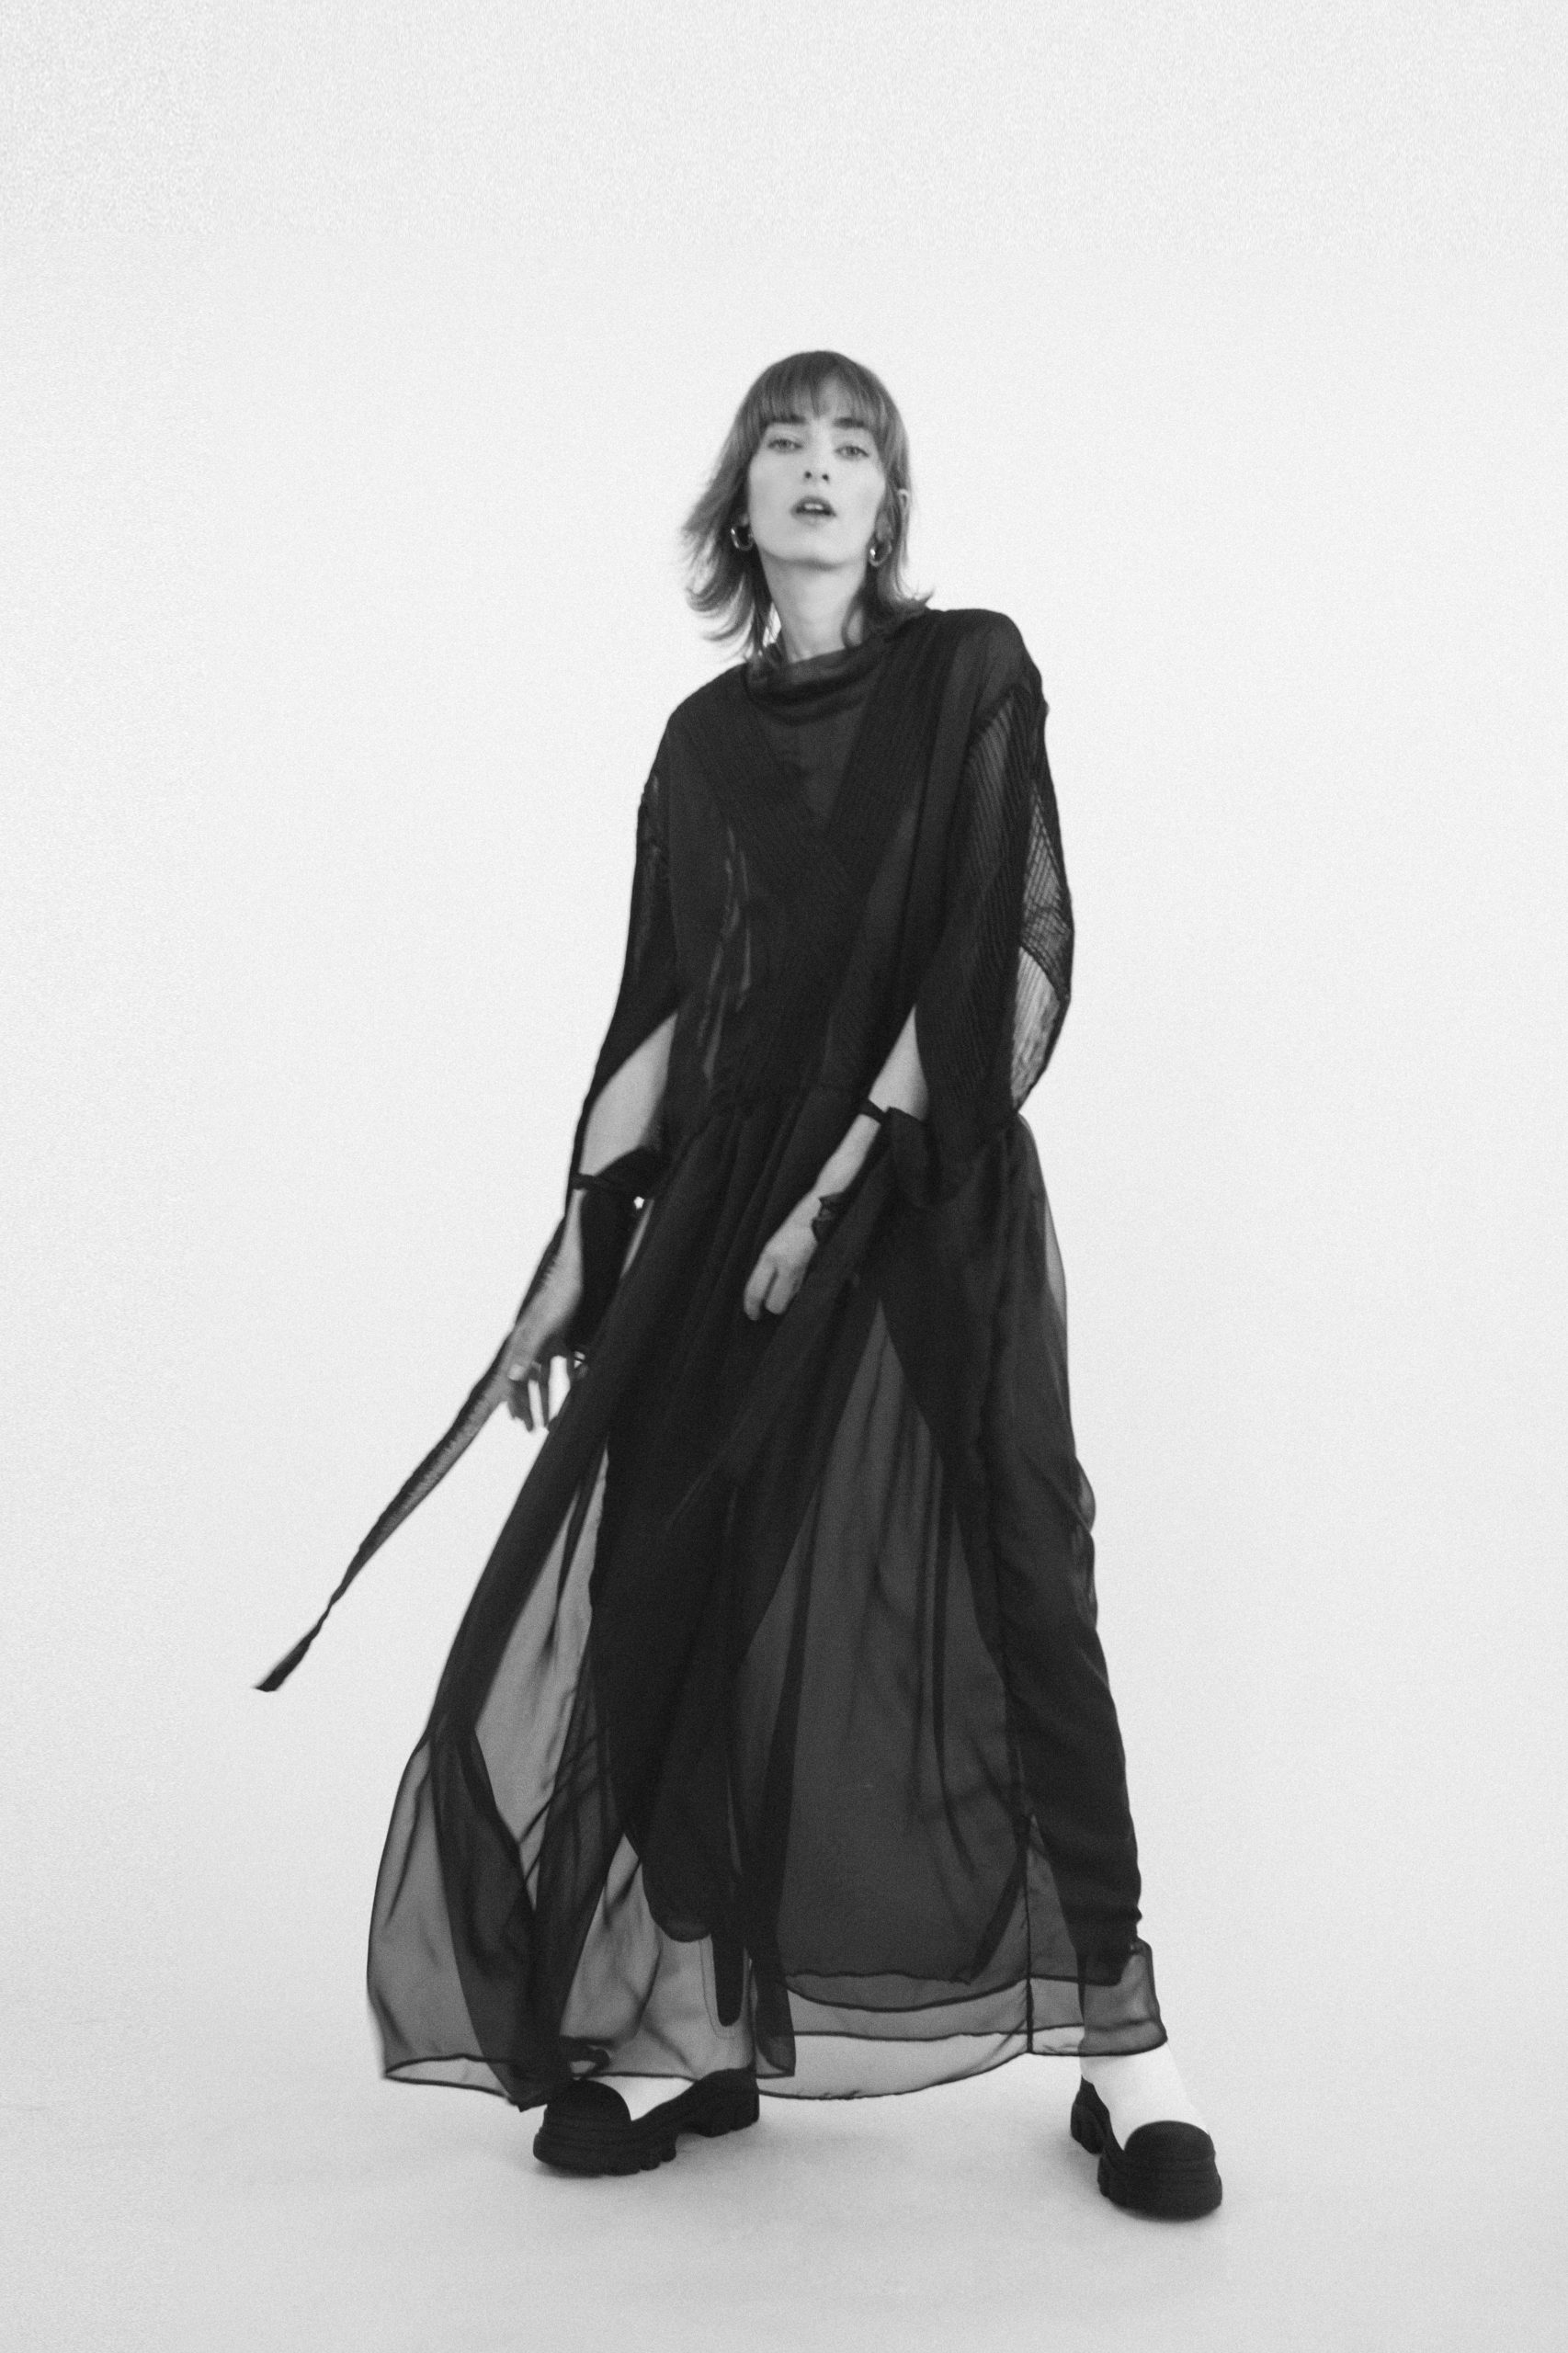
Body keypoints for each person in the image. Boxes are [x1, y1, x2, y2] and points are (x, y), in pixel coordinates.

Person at [281, 349, 1221, 2221]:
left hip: (921, 1185)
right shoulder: (699, 746)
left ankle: (1126, 2055)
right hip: (724, 1207)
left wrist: (844, 1181)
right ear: (739, 500)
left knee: (1023, 1574)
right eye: (784, 443)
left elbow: (992, 948)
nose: (815, 467)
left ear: (887, 504)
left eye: (851, 446)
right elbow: (663, 1011)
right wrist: (571, 1248)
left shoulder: (969, 672)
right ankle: (695, 2017)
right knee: (667, 1576)